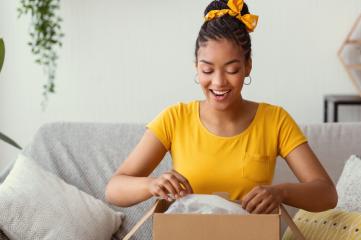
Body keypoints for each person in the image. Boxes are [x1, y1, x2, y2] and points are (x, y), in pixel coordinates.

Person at [105, 0, 337, 214]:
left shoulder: (275, 120)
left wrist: (281, 192)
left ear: (248, 66)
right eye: (207, 70)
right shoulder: (174, 118)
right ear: (196, 67)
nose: (218, 82)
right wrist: (152, 184)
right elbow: (114, 189)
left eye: (232, 69)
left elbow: (327, 194)